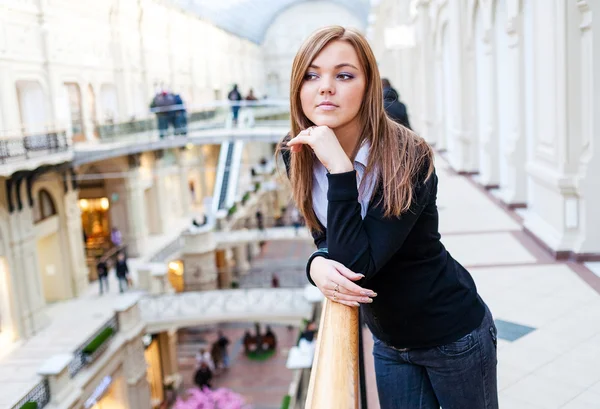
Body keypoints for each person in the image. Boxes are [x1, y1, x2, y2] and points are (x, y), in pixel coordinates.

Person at [279, 26, 497, 409]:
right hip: (389, 340)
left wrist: (340, 170)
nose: (325, 87)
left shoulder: (408, 155)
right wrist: (315, 265)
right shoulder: (295, 151)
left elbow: (358, 265)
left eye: (344, 75)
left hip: (451, 334)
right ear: (298, 86)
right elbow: (326, 239)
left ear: (368, 87)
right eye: (312, 75)